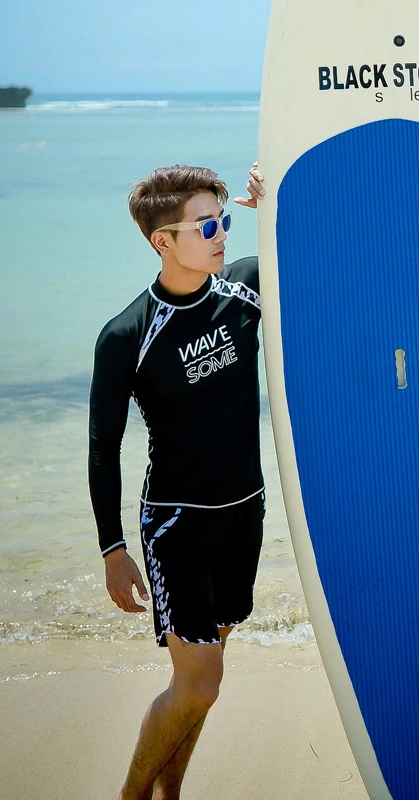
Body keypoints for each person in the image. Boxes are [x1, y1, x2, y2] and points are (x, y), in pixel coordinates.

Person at [89, 164, 263, 800]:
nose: (222, 236)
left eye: (224, 221)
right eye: (206, 226)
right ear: (162, 241)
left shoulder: (244, 290)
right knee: (201, 683)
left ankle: (169, 796)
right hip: (178, 523)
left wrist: (271, 206)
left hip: (245, 512)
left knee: (201, 686)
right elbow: (103, 447)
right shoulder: (126, 335)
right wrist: (113, 549)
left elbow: (311, 256)